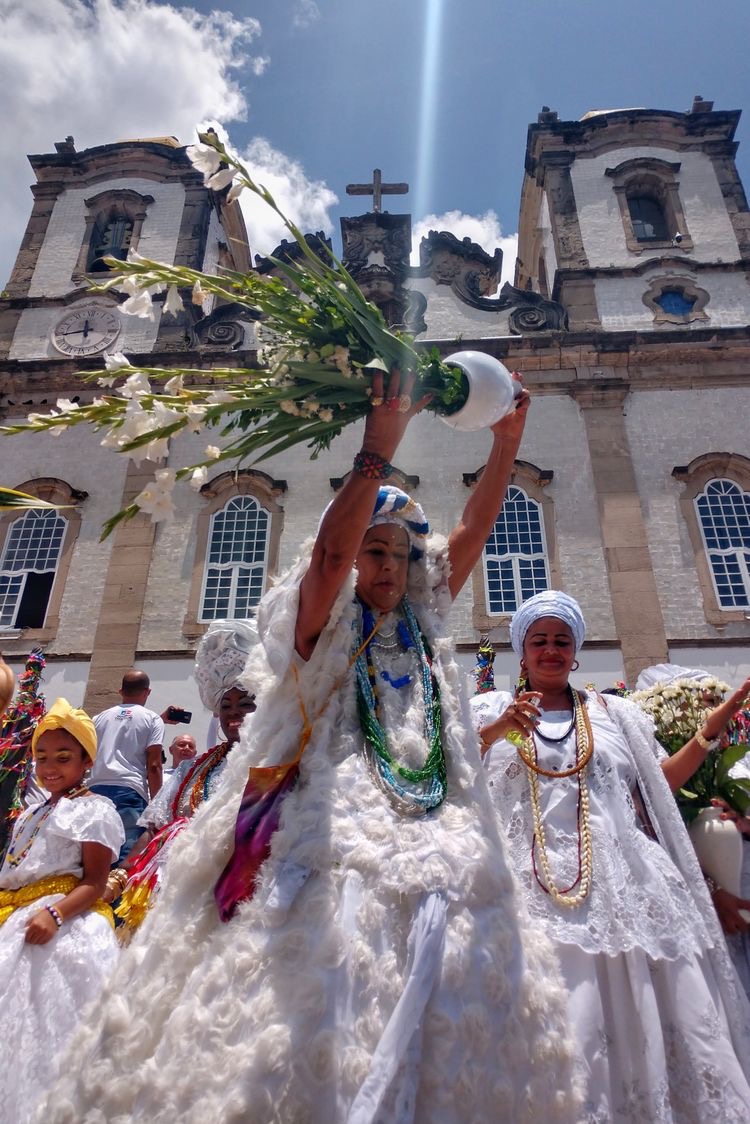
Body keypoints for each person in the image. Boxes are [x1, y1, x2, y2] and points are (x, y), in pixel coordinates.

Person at [41, 368, 581, 1123]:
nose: (389, 567)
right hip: (321, 819)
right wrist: (377, 448)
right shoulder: (315, 627)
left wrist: (507, 446)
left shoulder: (419, 628)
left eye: (399, 555)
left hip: (434, 816)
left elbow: (470, 538)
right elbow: (329, 560)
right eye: (374, 552)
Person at [472, 591, 750, 1121]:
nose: (551, 650)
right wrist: (497, 729)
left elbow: (657, 787)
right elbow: (455, 780)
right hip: (523, 889)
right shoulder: (486, 710)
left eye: (561, 641)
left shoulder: (614, 714)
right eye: (539, 641)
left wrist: (709, 734)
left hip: (622, 888)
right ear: (522, 653)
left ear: (575, 651)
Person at [0, 699, 124, 1124]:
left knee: (43, 1032)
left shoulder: (95, 809)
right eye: (41, 757)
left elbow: (94, 883)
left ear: (87, 760)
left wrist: (54, 916)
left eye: (64, 757)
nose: (49, 766)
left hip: (59, 927)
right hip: (12, 919)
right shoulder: (32, 812)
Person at [107, 621, 258, 929]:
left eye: (245, 704)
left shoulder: (269, 765)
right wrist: (120, 874)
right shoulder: (193, 767)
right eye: (225, 705)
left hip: (229, 890)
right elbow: (154, 828)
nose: (233, 713)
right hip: (169, 885)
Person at [89, 669, 165, 862]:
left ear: (121, 691)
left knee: (92, 857)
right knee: (124, 860)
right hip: (130, 792)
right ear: (148, 692)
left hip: (95, 791)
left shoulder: (98, 718)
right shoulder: (153, 719)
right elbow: (154, 764)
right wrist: (157, 804)